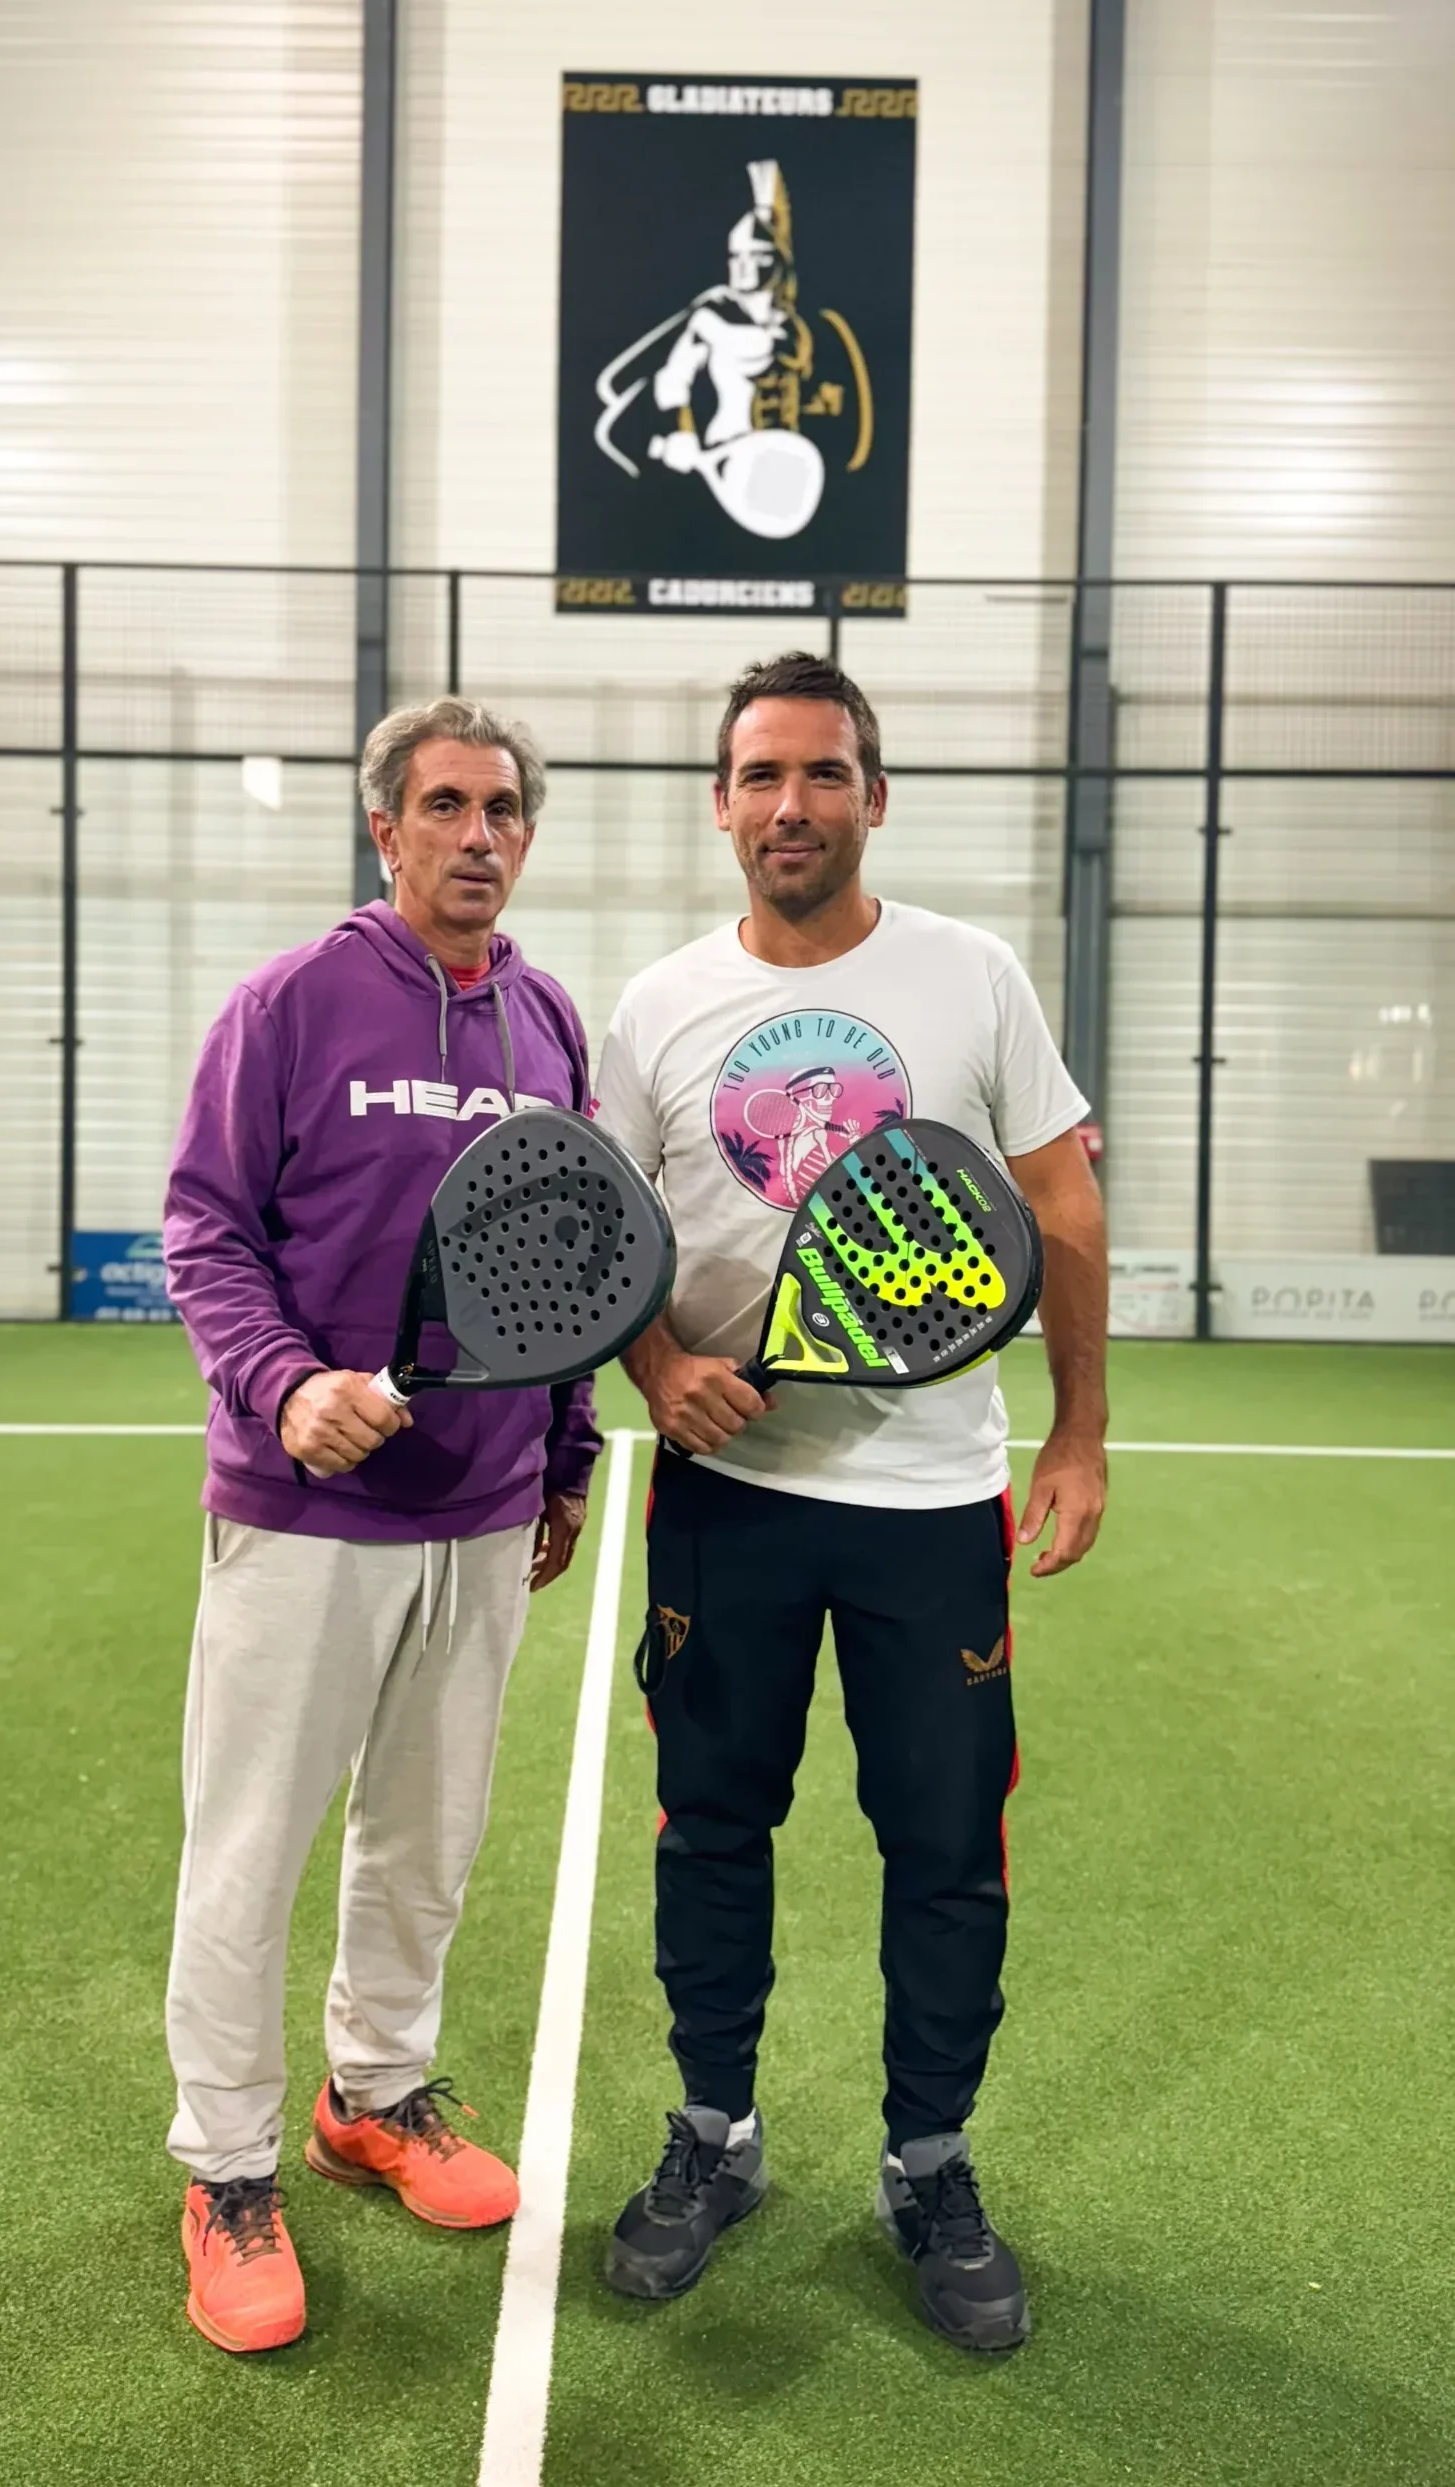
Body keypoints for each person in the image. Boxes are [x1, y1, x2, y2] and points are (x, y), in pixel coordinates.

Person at [594, 651, 1108, 2352]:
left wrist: (1077, 1432)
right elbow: (615, 1245)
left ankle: (928, 2161)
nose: (789, 805)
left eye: (822, 774)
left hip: (928, 1500)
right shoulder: (658, 1004)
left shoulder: (970, 974)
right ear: (721, 801)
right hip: (726, 1501)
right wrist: (661, 1373)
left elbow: (1060, 1208)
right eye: (759, 776)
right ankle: (715, 2137)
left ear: (871, 797)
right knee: (712, 1828)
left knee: (945, 1849)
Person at [161, 696, 601, 2355]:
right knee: (250, 1851)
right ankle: (225, 2168)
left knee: (424, 1842)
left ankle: (378, 2094)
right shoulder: (290, 1002)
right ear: (386, 828)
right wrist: (283, 1389)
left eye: (501, 809)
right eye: (443, 805)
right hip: (303, 1511)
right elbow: (206, 1228)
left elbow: (567, 1253)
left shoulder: (550, 1022)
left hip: (481, 1520)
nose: (476, 833)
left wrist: (559, 1449)